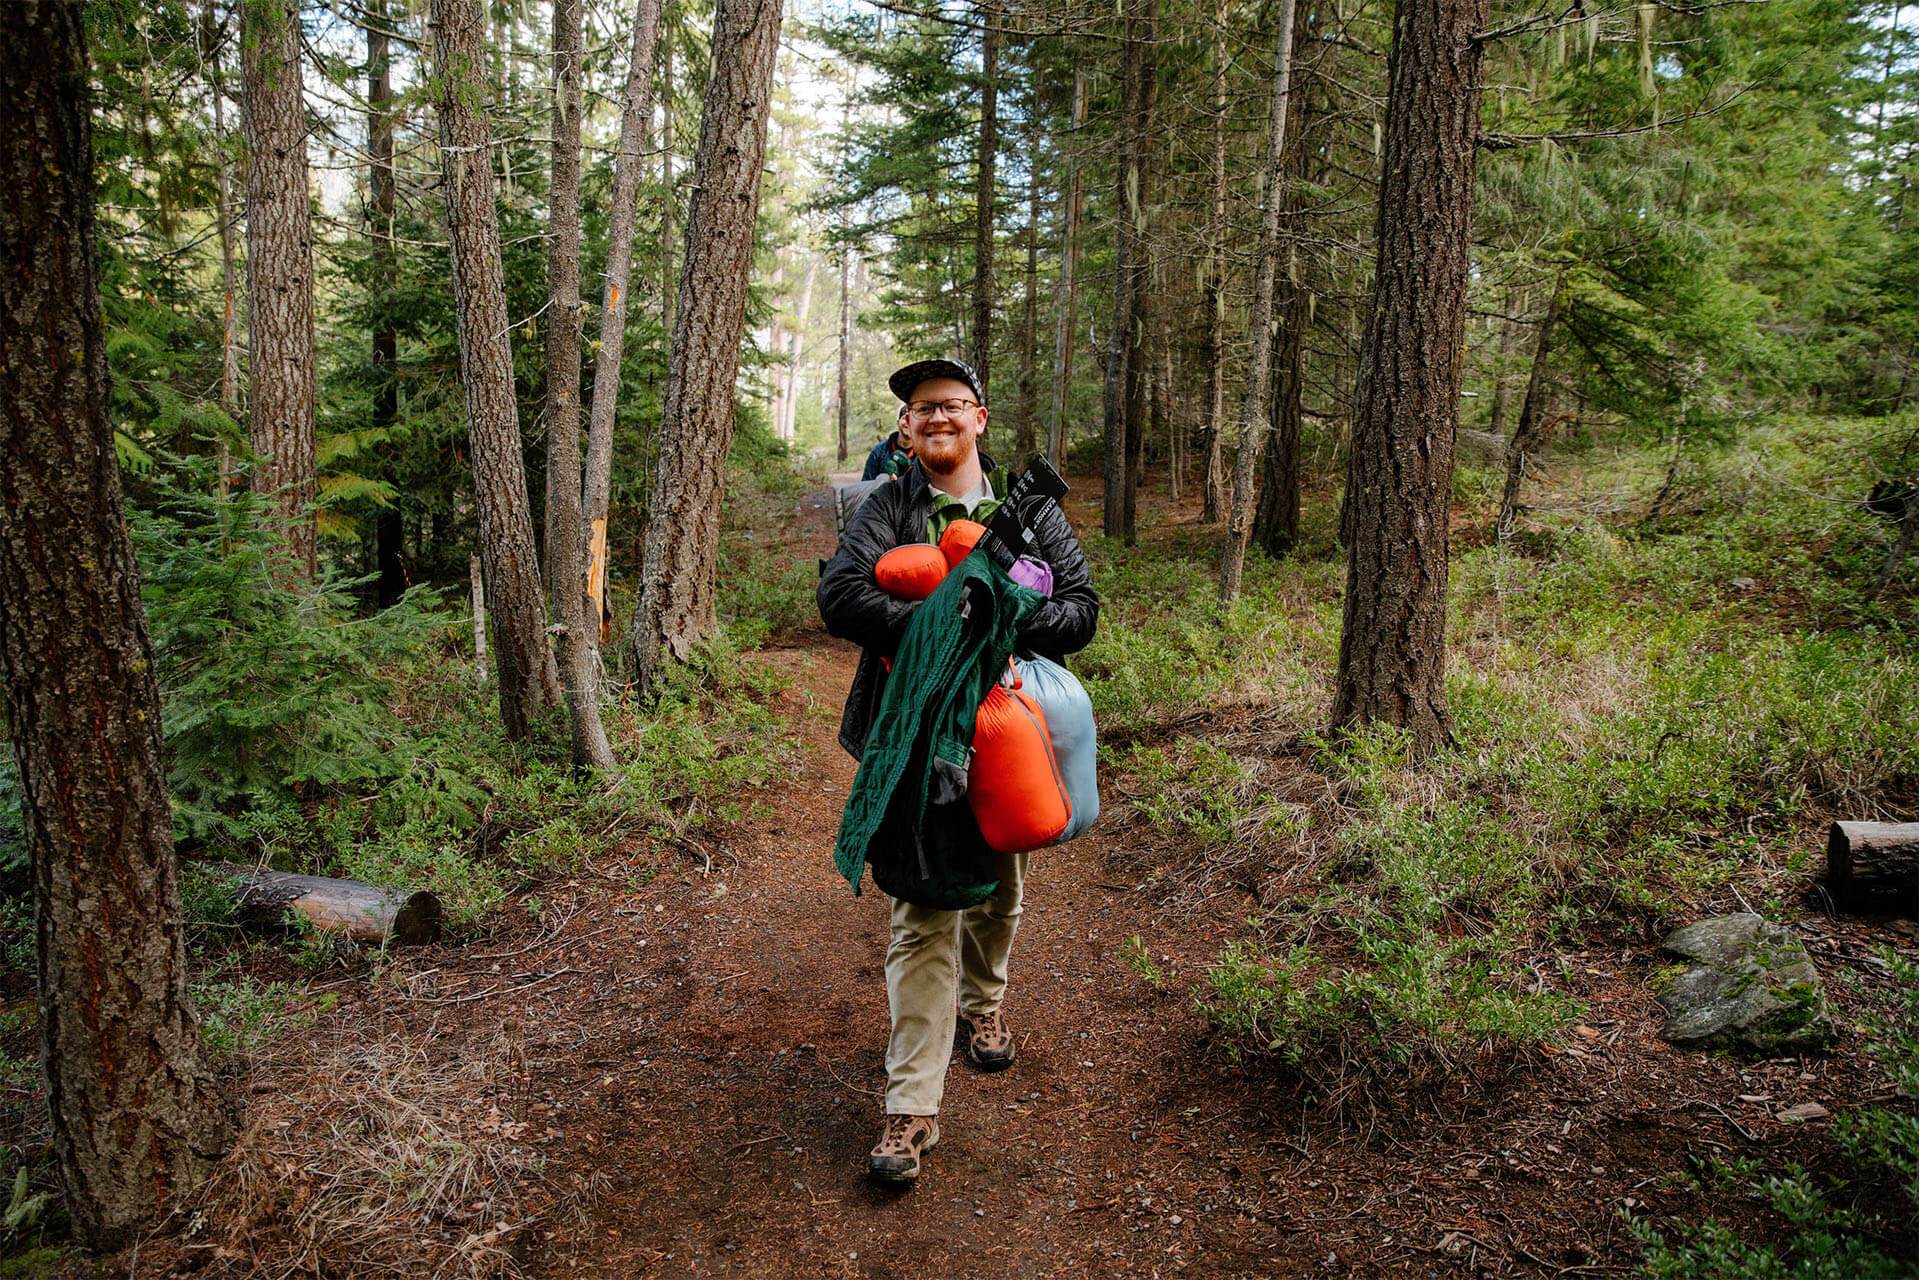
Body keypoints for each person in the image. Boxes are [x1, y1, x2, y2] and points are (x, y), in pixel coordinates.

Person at [816, 357, 1098, 1185]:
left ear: (979, 419)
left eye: (951, 405)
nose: (936, 417)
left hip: (1007, 734)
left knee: (1001, 885)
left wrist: (1004, 617)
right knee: (924, 911)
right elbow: (840, 597)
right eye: (920, 409)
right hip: (910, 740)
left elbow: (1079, 612)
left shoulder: (1032, 511)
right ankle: (911, 1109)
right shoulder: (888, 506)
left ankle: (985, 1003)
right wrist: (943, 619)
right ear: (904, 430)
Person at [860, 406, 914, 480]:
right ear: (898, 423)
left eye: (911, 419)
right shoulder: (879, 451)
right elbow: (866, 484)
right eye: (905, 418)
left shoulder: (923, 454)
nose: (908, 422)